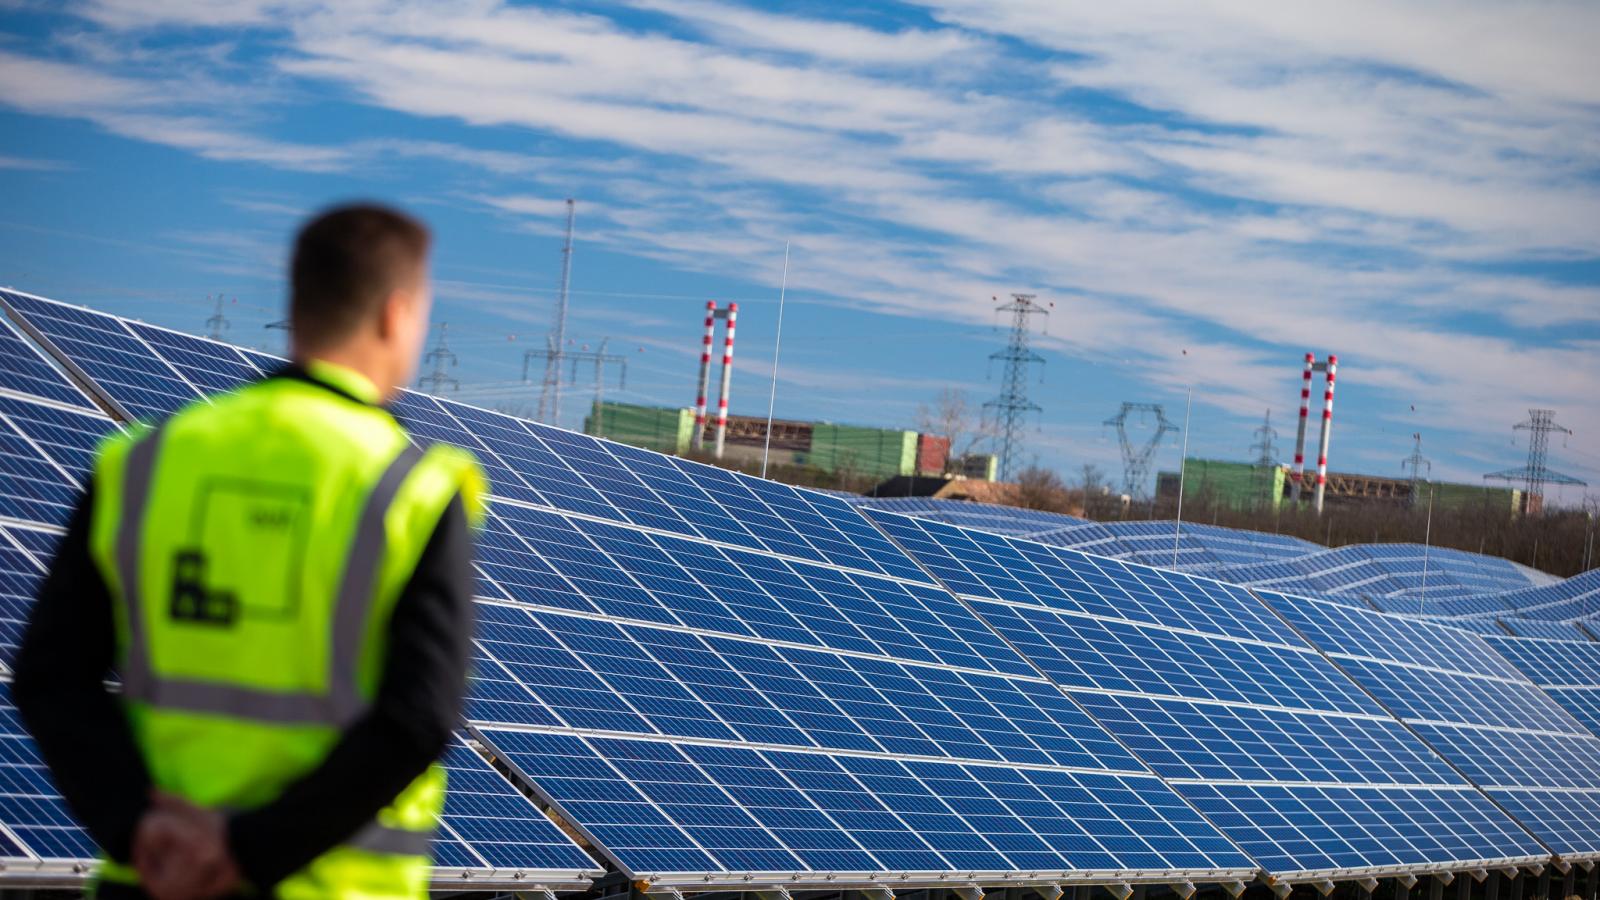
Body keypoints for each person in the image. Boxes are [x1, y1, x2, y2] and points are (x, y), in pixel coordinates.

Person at [13, 204, 485, 899]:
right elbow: (418, 719)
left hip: (151, 877)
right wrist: (247, 851)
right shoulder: (413, 486)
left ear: (295, 308)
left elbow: (49, 676)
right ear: (396, 313)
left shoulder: (144, 460)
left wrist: (137, 824)